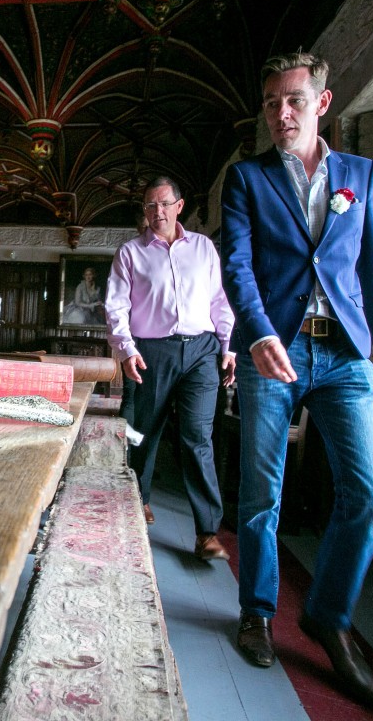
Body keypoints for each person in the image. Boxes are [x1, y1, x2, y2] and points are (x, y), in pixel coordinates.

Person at [220, 51, 373, 711]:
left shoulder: (360, 175)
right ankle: (256, 612)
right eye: (271, 102)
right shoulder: (245, 178)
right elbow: (237, 266)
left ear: (322, 103)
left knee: (371, 494)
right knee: (260, 495)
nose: (282, 113)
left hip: (346, 355)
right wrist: (258, 332)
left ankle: (328, 615)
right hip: (273, 349)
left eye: (294, 100)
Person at [104, 176, 236, 558]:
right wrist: (127, 350)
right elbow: (116, 306)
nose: (157, 211)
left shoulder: (204, 248)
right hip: (153, 352)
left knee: (198, 437)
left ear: (180, 206)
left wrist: (228, 346)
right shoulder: (130, 252)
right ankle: (140, 498)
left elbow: (219, 300)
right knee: (145, 432)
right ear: (144, 211)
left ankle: (207, 532)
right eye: (150, 205)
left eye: (164, 203)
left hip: (201, 352)